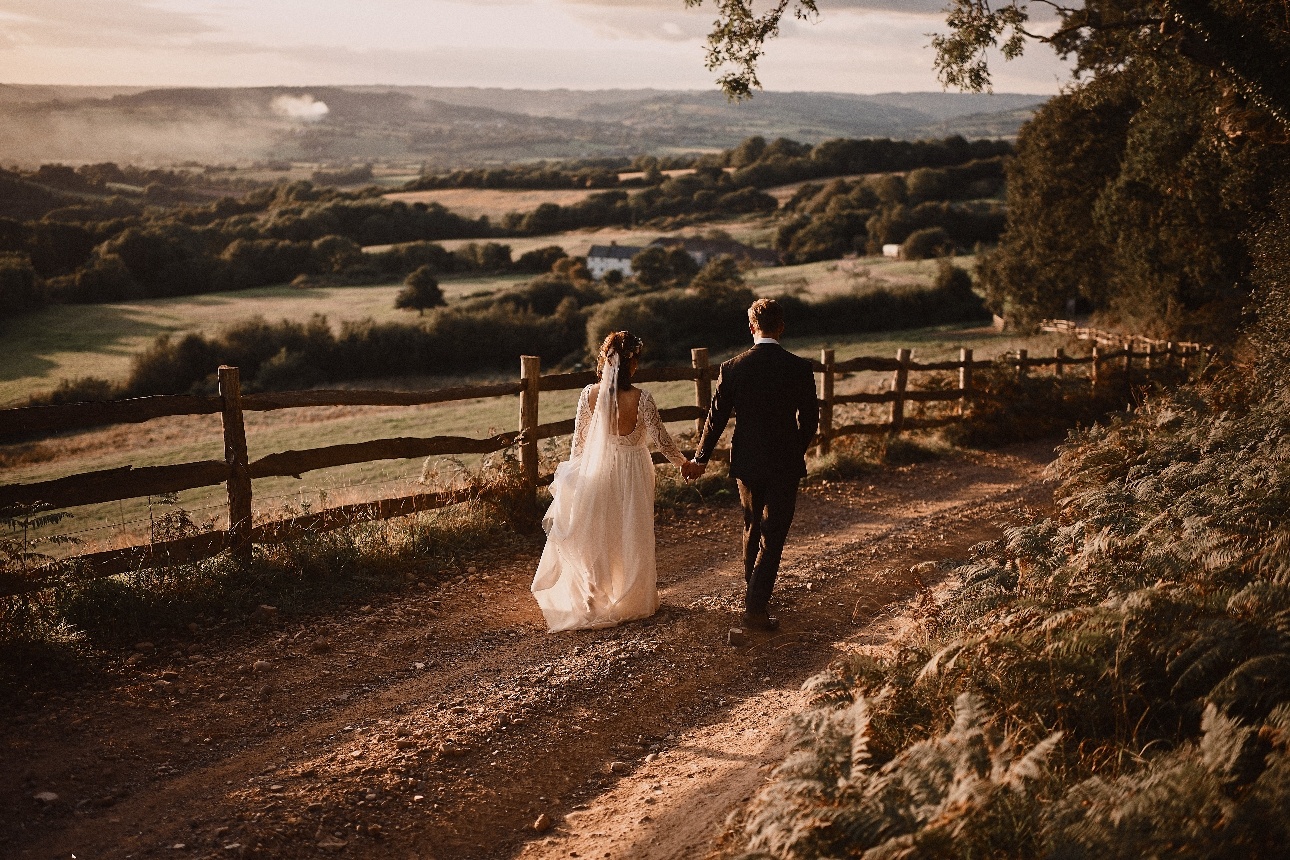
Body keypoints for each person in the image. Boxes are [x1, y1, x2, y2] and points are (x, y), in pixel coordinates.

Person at [532, 331, 690, 632]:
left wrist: (575, 476)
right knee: (631, 530)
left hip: (598, 469)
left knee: (600, 532)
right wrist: (685, 464)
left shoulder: (588, 395)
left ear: (604, 360)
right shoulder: (642, 398)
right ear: (633, 364)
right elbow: (662, 441)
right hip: (633, 471)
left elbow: (578, 444)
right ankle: (631, 598)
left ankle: (595, 596)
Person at [684, 299, 819, 631]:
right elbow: (811, 421)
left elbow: (715, 419)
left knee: (752, 527)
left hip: (746, 460)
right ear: (782, 327)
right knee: (773, 535)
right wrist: (794, 449)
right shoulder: (799, 367)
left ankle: (754, 594)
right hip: (784, 462)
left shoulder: (732, 367)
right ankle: (756, 608)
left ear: (751, 327)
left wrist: (700, 458)